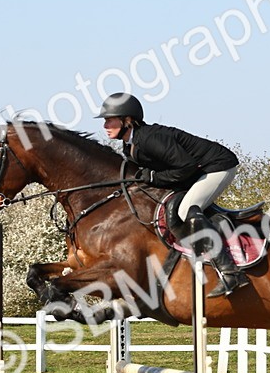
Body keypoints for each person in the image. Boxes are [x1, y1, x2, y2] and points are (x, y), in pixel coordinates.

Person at [98, 92, 247, 297]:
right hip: (194, 172)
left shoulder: (149, 139)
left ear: (127, 120)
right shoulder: (129, 146)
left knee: (186, 210)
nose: (105, 125)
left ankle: (230, 272)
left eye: (109, 120)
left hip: (217, 167)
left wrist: (153, 177)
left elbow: (186, 166)